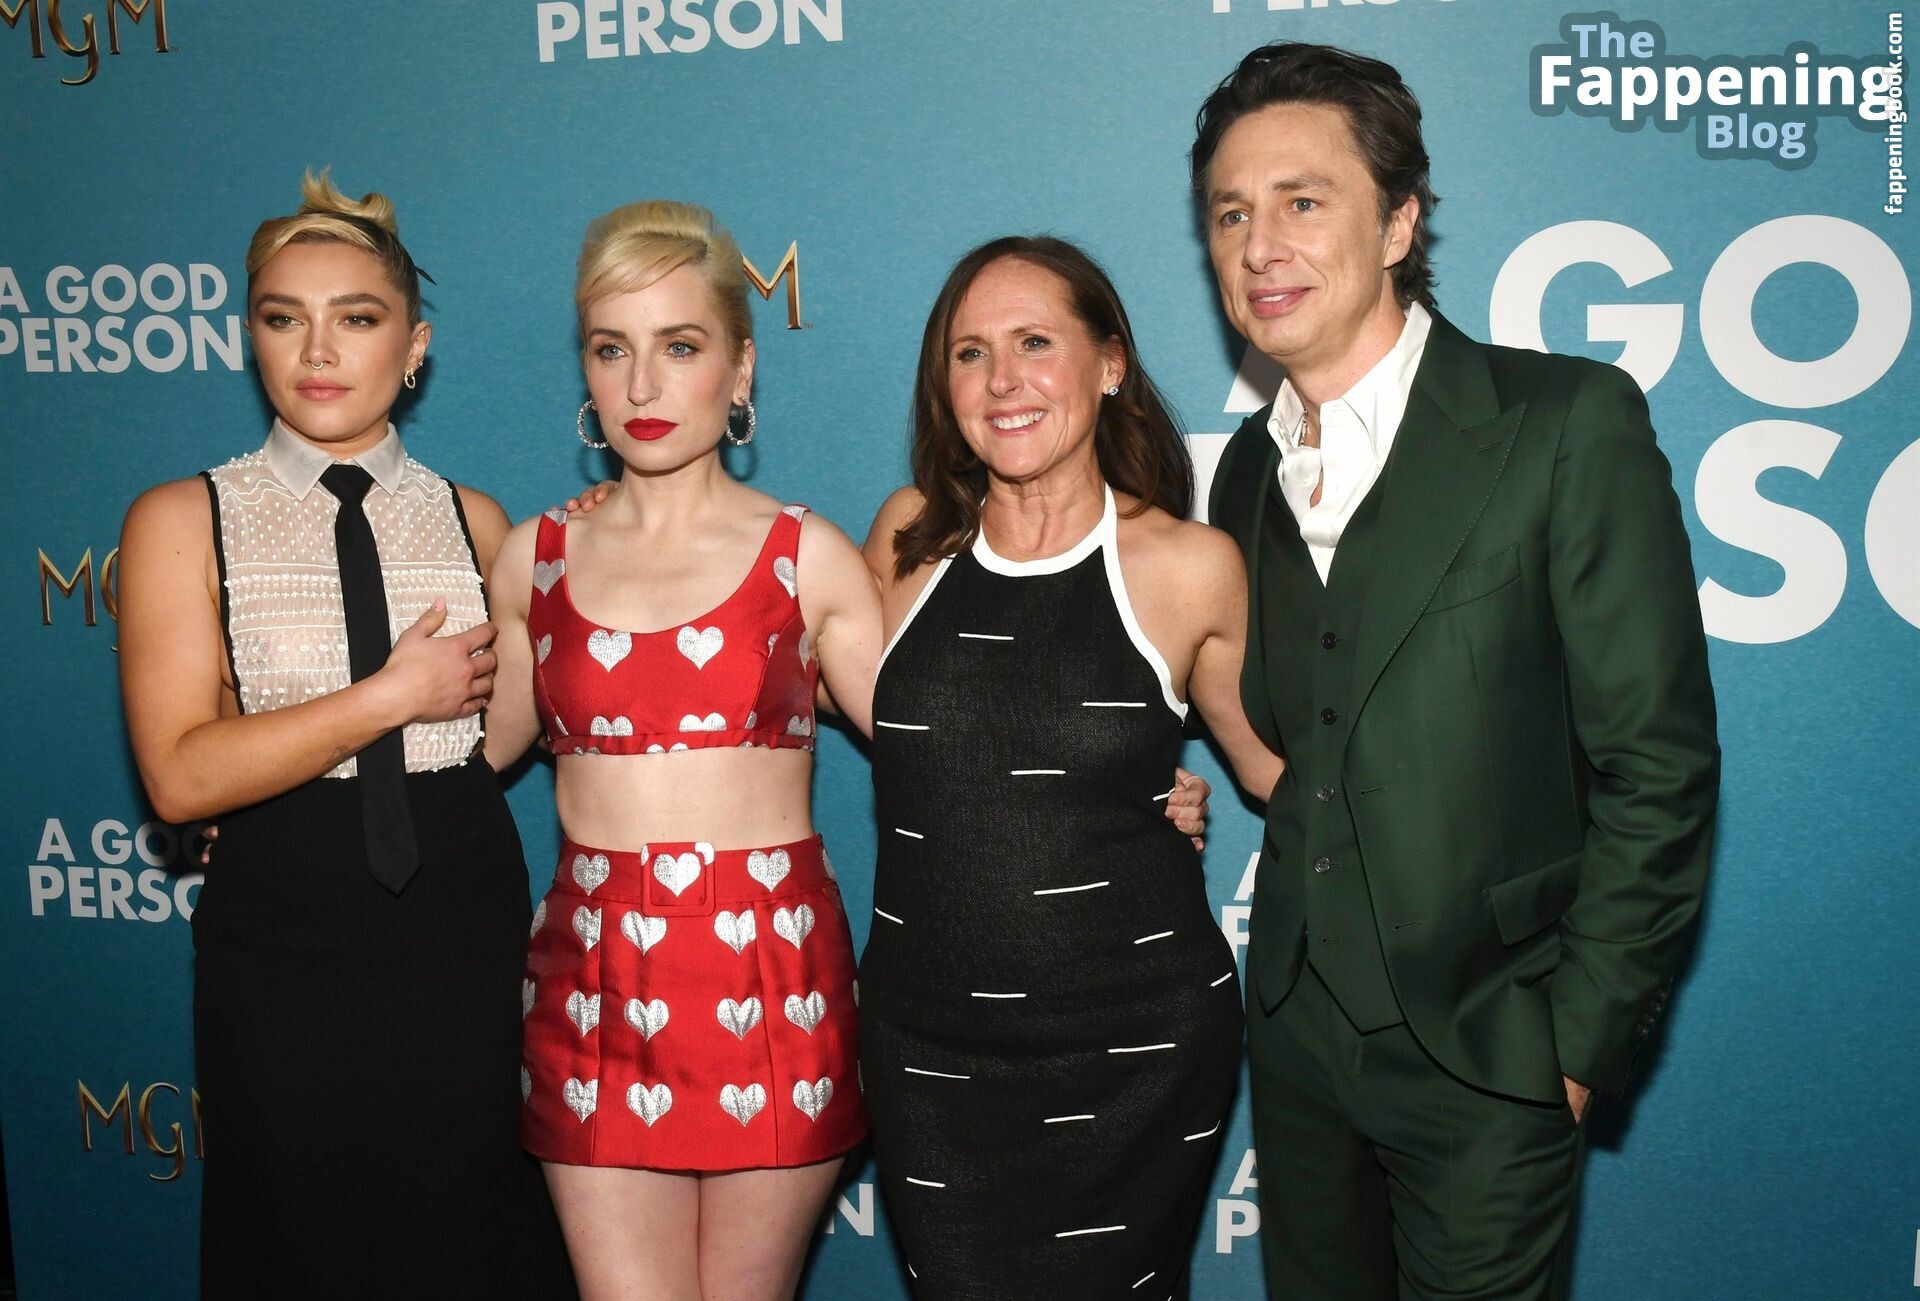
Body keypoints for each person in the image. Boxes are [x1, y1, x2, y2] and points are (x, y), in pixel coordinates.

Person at [1194, 42, 1721, 1298]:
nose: (1260, 244)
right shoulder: (1244, 472)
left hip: (1495, 1051)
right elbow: (1297, 735)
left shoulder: (1562, 422)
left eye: (1302, 201)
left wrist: (1573, 1045)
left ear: (1398, 224)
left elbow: (1658, 764)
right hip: (1300, 1050)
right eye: (1230, 213)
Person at [117, 172, 572, 1298]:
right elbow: (178, 776)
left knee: (471, 1236)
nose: (318, 350)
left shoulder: (476, 518)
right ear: (251, 338)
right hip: (281, 935)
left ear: (413, 347)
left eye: (357, 318)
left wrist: (604, 556)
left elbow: (487, 740)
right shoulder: (182, 517)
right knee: (297, 1239)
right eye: (284, 317)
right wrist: (387, 696)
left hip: (462, 921)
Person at [856, 235, 1285, 1300]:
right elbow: (761, 661)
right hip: (927, 1051)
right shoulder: (907, 540)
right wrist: (618, 515)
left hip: (1136, 1048)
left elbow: (1277, 771)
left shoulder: (1188, 566)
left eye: (1036, 343)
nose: (1002, 379)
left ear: (1109, 364)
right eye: (970, 353)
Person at [484, 200, 884, 1301]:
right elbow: (462, 761)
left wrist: (1128, 779)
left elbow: (937, 745)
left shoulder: (809, 555)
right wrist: (287, 803)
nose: (643, 387)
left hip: (773, 976)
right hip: (593, 982)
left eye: (681, 346)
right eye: (612, 350)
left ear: (740, 366)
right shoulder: (534, 555)